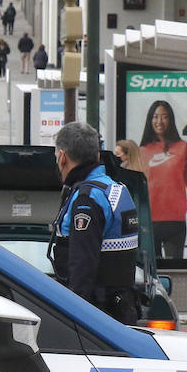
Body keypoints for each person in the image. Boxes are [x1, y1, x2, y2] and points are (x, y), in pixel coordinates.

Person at [48, 121, 140, 323]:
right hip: (121, 308)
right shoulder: (117, 190)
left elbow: (82, 267)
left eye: (56, 156)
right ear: (97, 156)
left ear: (62, 157)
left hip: (97, 316)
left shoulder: (87, 199)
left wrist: (73, 321)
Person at [138, 99, 187, 260]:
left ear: (171, 120)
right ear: (150, 120)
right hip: (149, 221)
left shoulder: (182, 147)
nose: (159, 121)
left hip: (175, 222)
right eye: (155, 117)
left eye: (164, 117)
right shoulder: (142, 151)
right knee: (152, 272)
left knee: (175, 268)